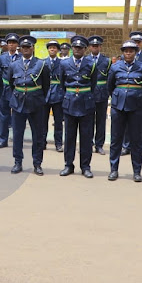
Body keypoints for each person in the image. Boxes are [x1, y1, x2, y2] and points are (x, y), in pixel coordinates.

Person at [108, 39, 142, 182]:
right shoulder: (115, 67)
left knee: (136, 140)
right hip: (118, 107)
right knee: (116, 140)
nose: (128, 53)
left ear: (135, 52)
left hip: (136, 107)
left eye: (131, 51)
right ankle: (114, 169)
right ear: (123, 53)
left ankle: (137, 171)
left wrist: (139, 100)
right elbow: (110, 86)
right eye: (126, 51)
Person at [6, 35, 50, 175]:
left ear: (33, 48)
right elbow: (11, 84)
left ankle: (37, 163)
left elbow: (46, 86)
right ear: (20, 49)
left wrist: (37, 96)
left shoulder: (41, 64)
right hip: (18, 102)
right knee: (17, 134)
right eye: (23, 47)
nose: (25, 49)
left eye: (28, 47)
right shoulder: (14, 65)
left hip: (36, 103)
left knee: (37, 135)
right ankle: (17, 162)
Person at [59, 36, 98, 178]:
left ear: (85, 49)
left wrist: (85, 95)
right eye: (75, 47)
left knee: (86, 137)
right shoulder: (64, 64)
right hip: (69, 103)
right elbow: (62, 83)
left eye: (80, 48)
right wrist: (68, 96)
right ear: (72, 48)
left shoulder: (91, 64)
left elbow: (93, 84)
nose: (77, 50)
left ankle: (85, 166)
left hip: (86, 103)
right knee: (69, 136)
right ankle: (68, 165)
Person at [121, 31, 142, 158]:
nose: (137, 44)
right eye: (135, 42)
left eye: (139, 42)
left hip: (140, 94)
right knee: (126, 122)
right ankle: (126, 145)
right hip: (126, 94)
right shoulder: (124, 56)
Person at [87, 35, 111, 155]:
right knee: (88, 120)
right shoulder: (85, 60)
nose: (95, 48)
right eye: (93, 46)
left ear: (100, 47)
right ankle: (88, 143)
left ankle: (99, 145)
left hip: (102, 93)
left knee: (101, 120)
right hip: (89, 94)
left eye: (97, 46)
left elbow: (110, 78)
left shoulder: (107, 61)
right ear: (89, 47)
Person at [0, 33, 21, 148]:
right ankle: (3, 140)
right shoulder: (2, 57)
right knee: (3, 115)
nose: (11, 45)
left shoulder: (21, 57)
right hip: (5, 89)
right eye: (9, 43)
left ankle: (17, 140)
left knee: (17, 116)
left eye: (14, 43)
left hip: (17, 90)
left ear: (17, 45)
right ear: (7, 45)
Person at [43, 40, 65, 152]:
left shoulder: (62, 63)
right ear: (48, 49)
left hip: (58, 95)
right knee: (42, 121)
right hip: (45, 95)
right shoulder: (42, 62)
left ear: (57, 50)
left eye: (54, 48)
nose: (52, 49)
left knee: (58, 122)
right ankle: (42, 142)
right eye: (50, 47)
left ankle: (58, 143)